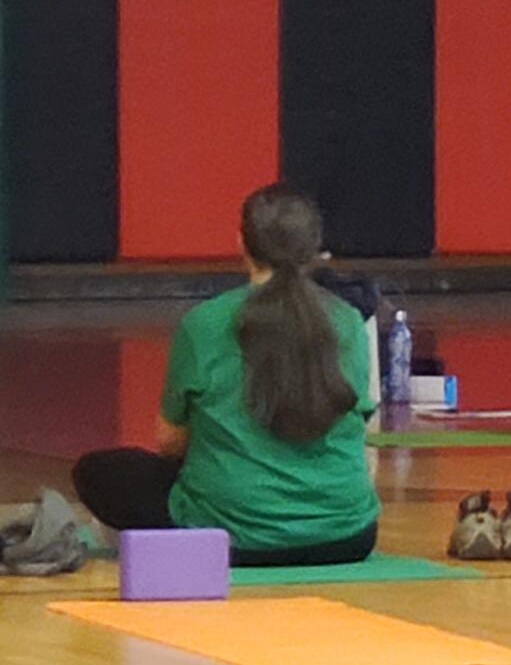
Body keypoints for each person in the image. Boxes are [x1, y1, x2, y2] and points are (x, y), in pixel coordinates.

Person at [72, 185, 380, 566]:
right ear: (314, 248)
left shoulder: (204, 323)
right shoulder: (348, 321)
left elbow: (170, 442)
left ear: (241, 243)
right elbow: (360, 424)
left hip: (231, 537)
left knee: (97, 473)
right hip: (348, 536)